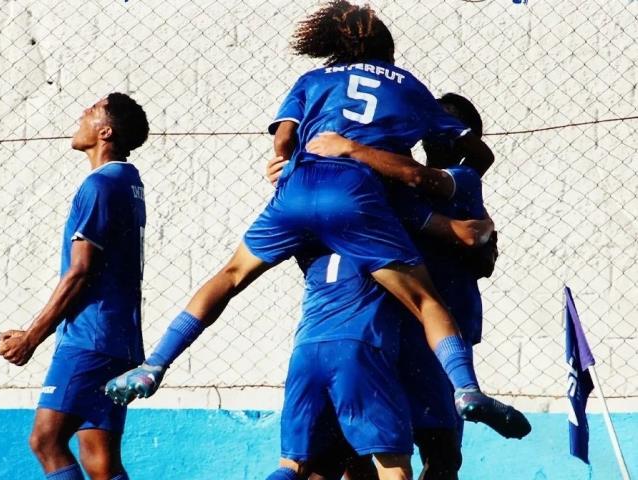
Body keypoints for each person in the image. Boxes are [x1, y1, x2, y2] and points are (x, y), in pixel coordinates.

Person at [106, 3, 528, 478]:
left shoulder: (314, 82)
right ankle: (467, 388)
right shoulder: (408, 107)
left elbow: (284, 141)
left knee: (231, 276)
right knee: (426, 318)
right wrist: (372, 153)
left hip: (302, 207)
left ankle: (155, 364)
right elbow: (453, 197)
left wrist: (287, 168)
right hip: (366, 272)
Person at [304, 93, 509, 479]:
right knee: (363, 452)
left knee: (435, 450)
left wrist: (349, 149)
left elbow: (477, 249)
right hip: (395, 327)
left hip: (434, 329)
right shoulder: (399, 180)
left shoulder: (451, 180)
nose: (434, 134)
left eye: (444, 127)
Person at [0, 93, 149, 480]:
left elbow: (79, 273)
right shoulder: (129, 182)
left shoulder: (99, 186)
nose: (82, 114)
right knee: (99, 458)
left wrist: (32, 337)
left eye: (91, 111)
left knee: (45, 440)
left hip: (91, 339)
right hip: (118, 338)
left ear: (105, 131)